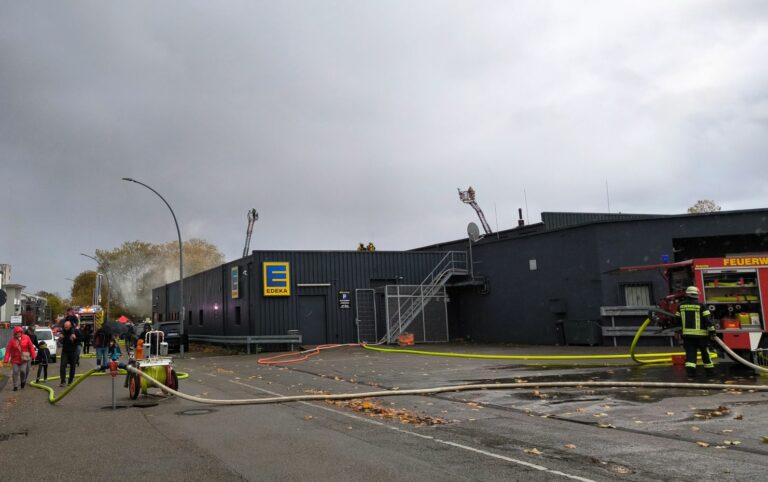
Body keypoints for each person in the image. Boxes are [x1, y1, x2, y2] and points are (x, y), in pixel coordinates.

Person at [678, 286, 716, 378]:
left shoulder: (680, 306)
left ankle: (690, 373)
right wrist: (712, 332)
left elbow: (677, 321)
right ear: (697, 295)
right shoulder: (701, 306)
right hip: (702, 337)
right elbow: (708, 320)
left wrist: (679, 332)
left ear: (687, 294)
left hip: (688, 336)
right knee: (705, 354)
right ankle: (710, 373)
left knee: (690, 355)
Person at [2, 326, 37, 391]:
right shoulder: (12, 341)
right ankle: (15, 385)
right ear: (15, 333)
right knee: (15, 371)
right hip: (15, 359)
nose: (18, 334)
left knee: (23, 371)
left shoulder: (26, 338)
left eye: (20, 332)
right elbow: (8, 350)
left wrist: (34, 355)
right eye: (17, 333)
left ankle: (23, 381)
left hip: (24, 359)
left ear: (21, 332)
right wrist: (6, 359)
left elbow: (31, 347)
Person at [58, 320, 80, 387]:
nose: (66, 328)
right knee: (62, 366)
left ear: (70, 326)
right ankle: (63, 381)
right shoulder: (63, 331)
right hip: (65, 351)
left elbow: (82, 338)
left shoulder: (75, 331)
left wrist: (75, 338)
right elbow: (60, 342)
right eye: (65, 327)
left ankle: (70, 381)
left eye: (67, 327)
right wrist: (60, 339)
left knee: (72, 367)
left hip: (73, 351)